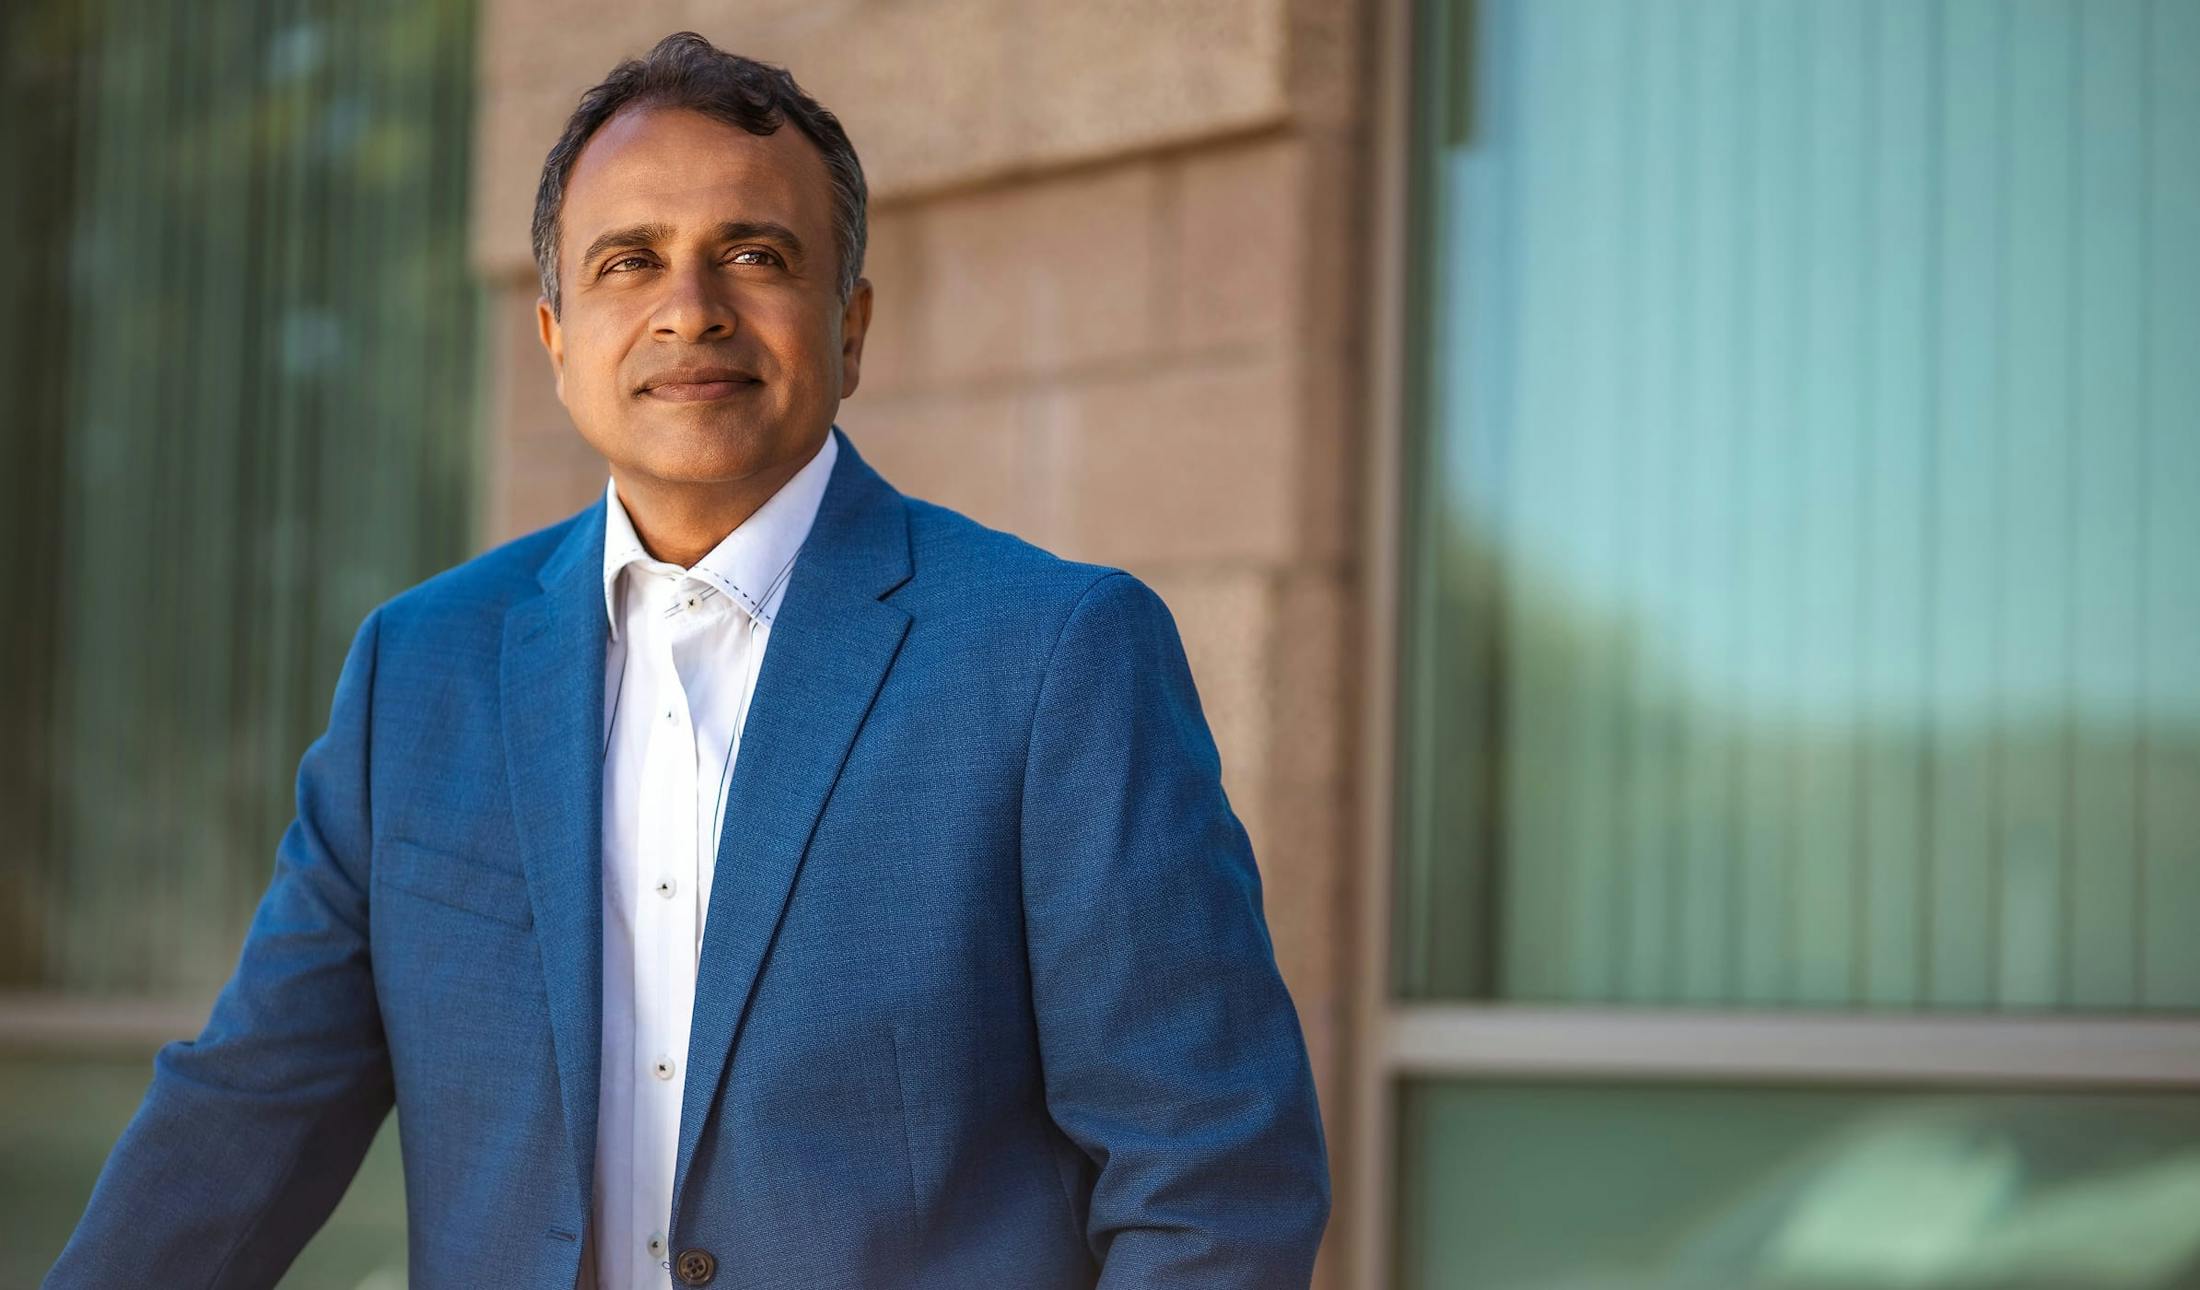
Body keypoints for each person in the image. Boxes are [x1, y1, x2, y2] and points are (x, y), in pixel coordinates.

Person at [48, 30, 1328, 1290]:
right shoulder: (418, 670)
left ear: (852, 325)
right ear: (555, 338)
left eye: (754, 255)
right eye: (628, 261)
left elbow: (1212, 1176)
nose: (688, 309)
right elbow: (251, 1113)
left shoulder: (1052, 656)